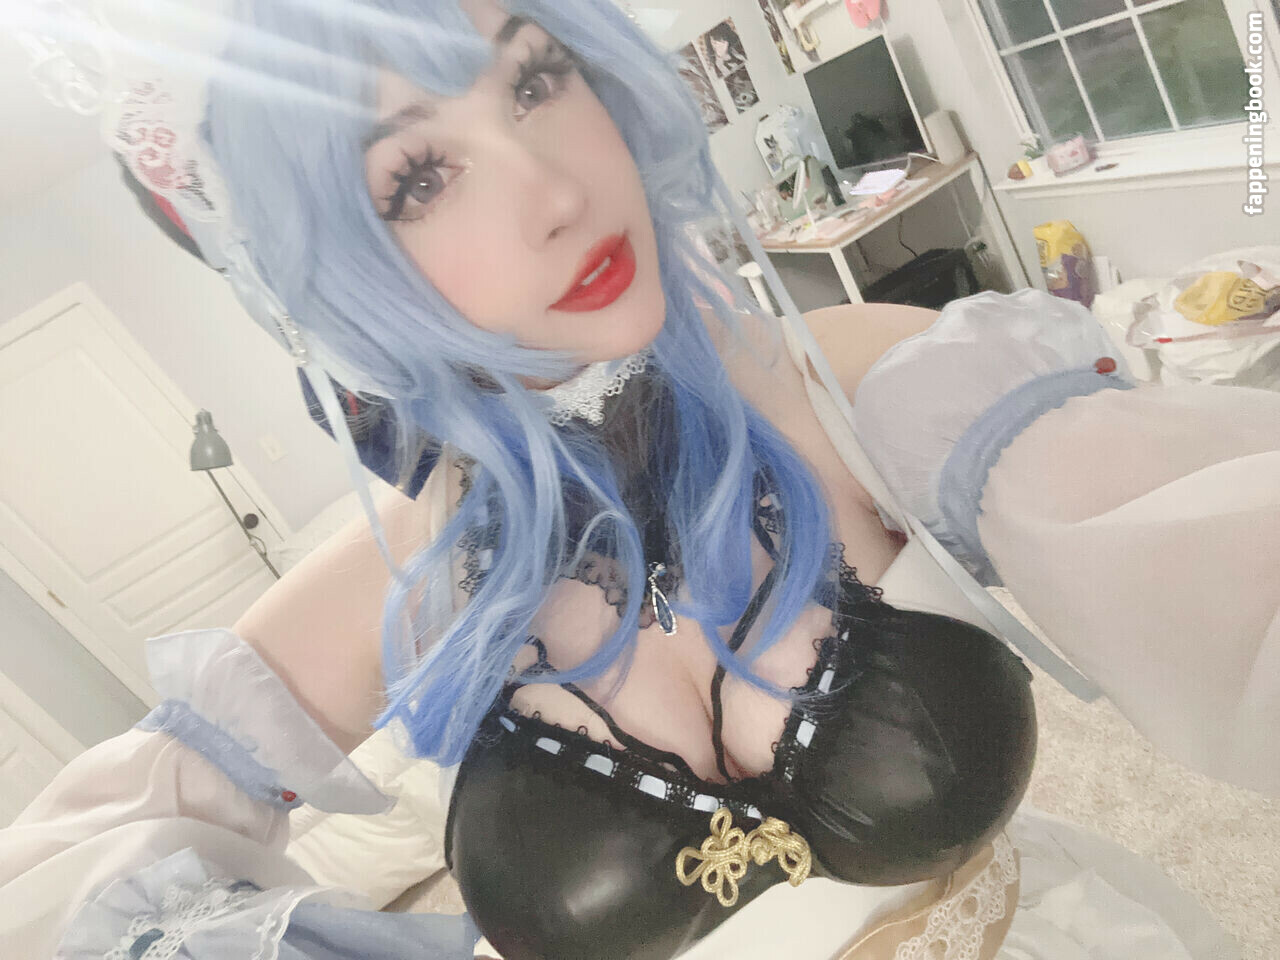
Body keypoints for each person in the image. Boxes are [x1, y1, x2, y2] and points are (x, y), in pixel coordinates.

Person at [2, 1, 1276, 958]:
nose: (557, 189)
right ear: (325, 282)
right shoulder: (408, 577)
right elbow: (63, 890)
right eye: (418, 177)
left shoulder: (865, 387)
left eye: (534, 79)